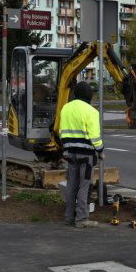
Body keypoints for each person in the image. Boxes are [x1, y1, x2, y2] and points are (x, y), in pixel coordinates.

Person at [59, 81, 103, 228]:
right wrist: (101, 151)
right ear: (89, 95)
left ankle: (69, 217)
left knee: (71, 185)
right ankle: (82, 219)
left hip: (70, 153)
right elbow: (95, 137)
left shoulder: (65, 108)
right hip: (86, 156)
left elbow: (61, 132)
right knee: (84, 186)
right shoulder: (92, 112)